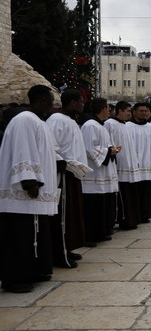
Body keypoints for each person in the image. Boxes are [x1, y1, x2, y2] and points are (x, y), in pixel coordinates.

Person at [0, 85, 57, 293]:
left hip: (32, 194)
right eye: (51, 99)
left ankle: (35, 271)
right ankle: (16, 278)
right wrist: (29, 180)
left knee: (32, 235)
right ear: (42, 99)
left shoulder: (36, 121)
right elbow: (23, 150)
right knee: (19, 237)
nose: (53, 104)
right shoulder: (25, 119)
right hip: (23, 193)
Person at [46, 88, 90, 268]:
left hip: (73, 173)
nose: (82, 104)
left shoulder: (70, 120)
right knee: (62, 215)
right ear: (72, 102)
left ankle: (68, 246)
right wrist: (64, 164)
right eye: (81, 101)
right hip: (63, 174)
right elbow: (52, 146)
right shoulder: (56, 120)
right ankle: (59, 253)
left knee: (71, 214)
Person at [81, 98, 120, 246]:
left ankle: (101, 232)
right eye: (109, 109)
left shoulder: (99, 125)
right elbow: (88, 148)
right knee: (93, 207)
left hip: (102, 172)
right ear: (103, 109)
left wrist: (111, 149)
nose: (110, 112)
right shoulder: (90, 125)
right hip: (94, 174)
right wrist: (108, 151)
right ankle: (91, 236)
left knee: (101, 205)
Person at [104, 101, 141, 230]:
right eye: (128, 111)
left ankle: (131, 219)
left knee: (130, 194)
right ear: (120, 111)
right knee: (122, 195)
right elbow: (107, 142)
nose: (130, 114)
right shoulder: (110, 124)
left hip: (130, 166)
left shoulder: (126, 125)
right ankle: (123, 219)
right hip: (119, 166)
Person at [127, 103, 151, 220]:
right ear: (134, 112)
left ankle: (145, 214)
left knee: (146, 192)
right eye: (141, 111)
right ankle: (134, 215)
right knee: (134, 192)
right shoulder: (127, 126)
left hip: (147, 165)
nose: (143, 113)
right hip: (132, 165)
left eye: (145, 111)